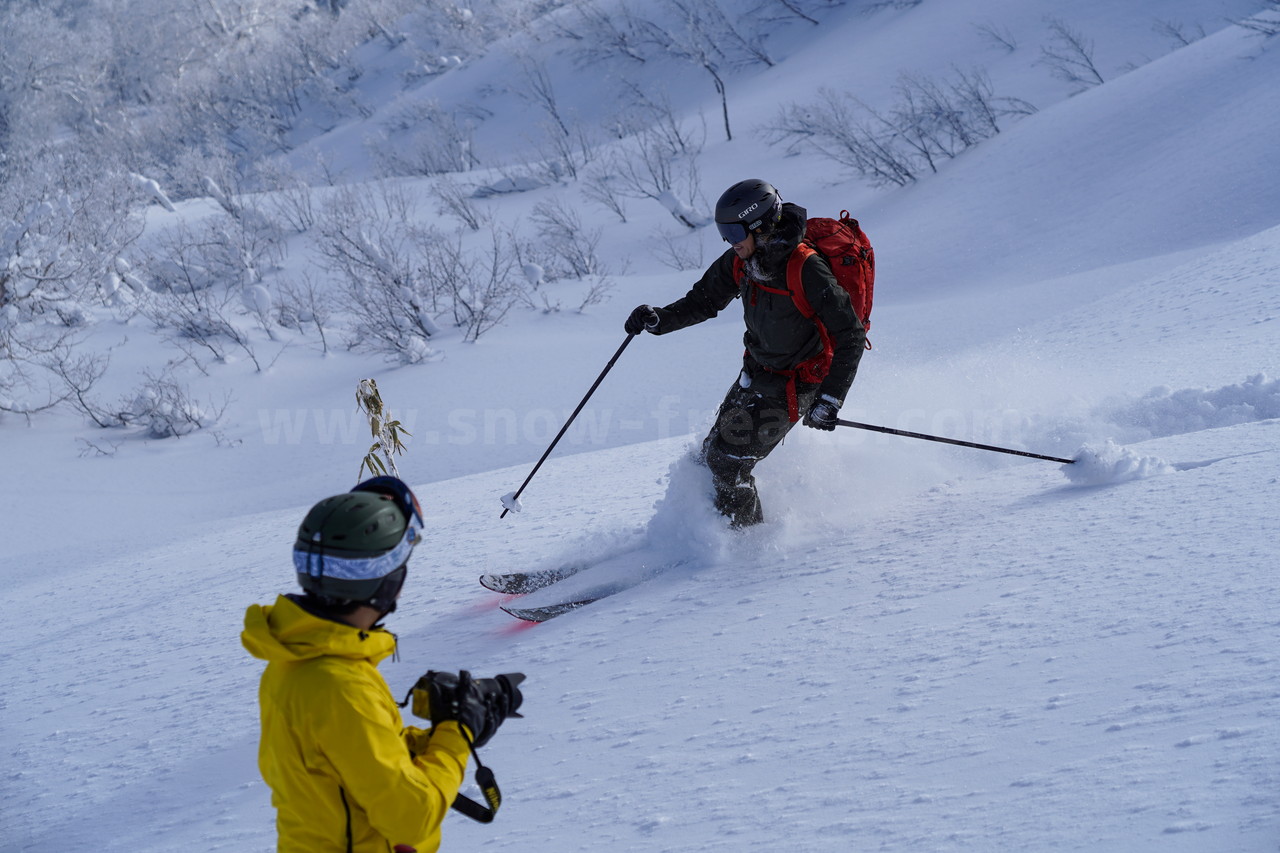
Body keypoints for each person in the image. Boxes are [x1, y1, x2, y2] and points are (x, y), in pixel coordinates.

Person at [242, 476, 518, 852]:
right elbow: (410, 816)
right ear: (386, 581)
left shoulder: (297, 658)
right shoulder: (340, 685)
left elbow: (349, 759)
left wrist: (438, 736)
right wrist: (457, 735)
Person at [625, 179, 866, 528]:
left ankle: (745, 549)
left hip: (796, 386)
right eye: (724, 232)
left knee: (727, 463)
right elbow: (703, 301)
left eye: (735, 232)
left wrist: (831, 397)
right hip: (756, 373)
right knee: (708, 457)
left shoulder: (805, 268)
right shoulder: (743, 261)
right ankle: (704, 532)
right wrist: (658, 319)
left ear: (762, 226)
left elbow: (851, 335)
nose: (729, 241)